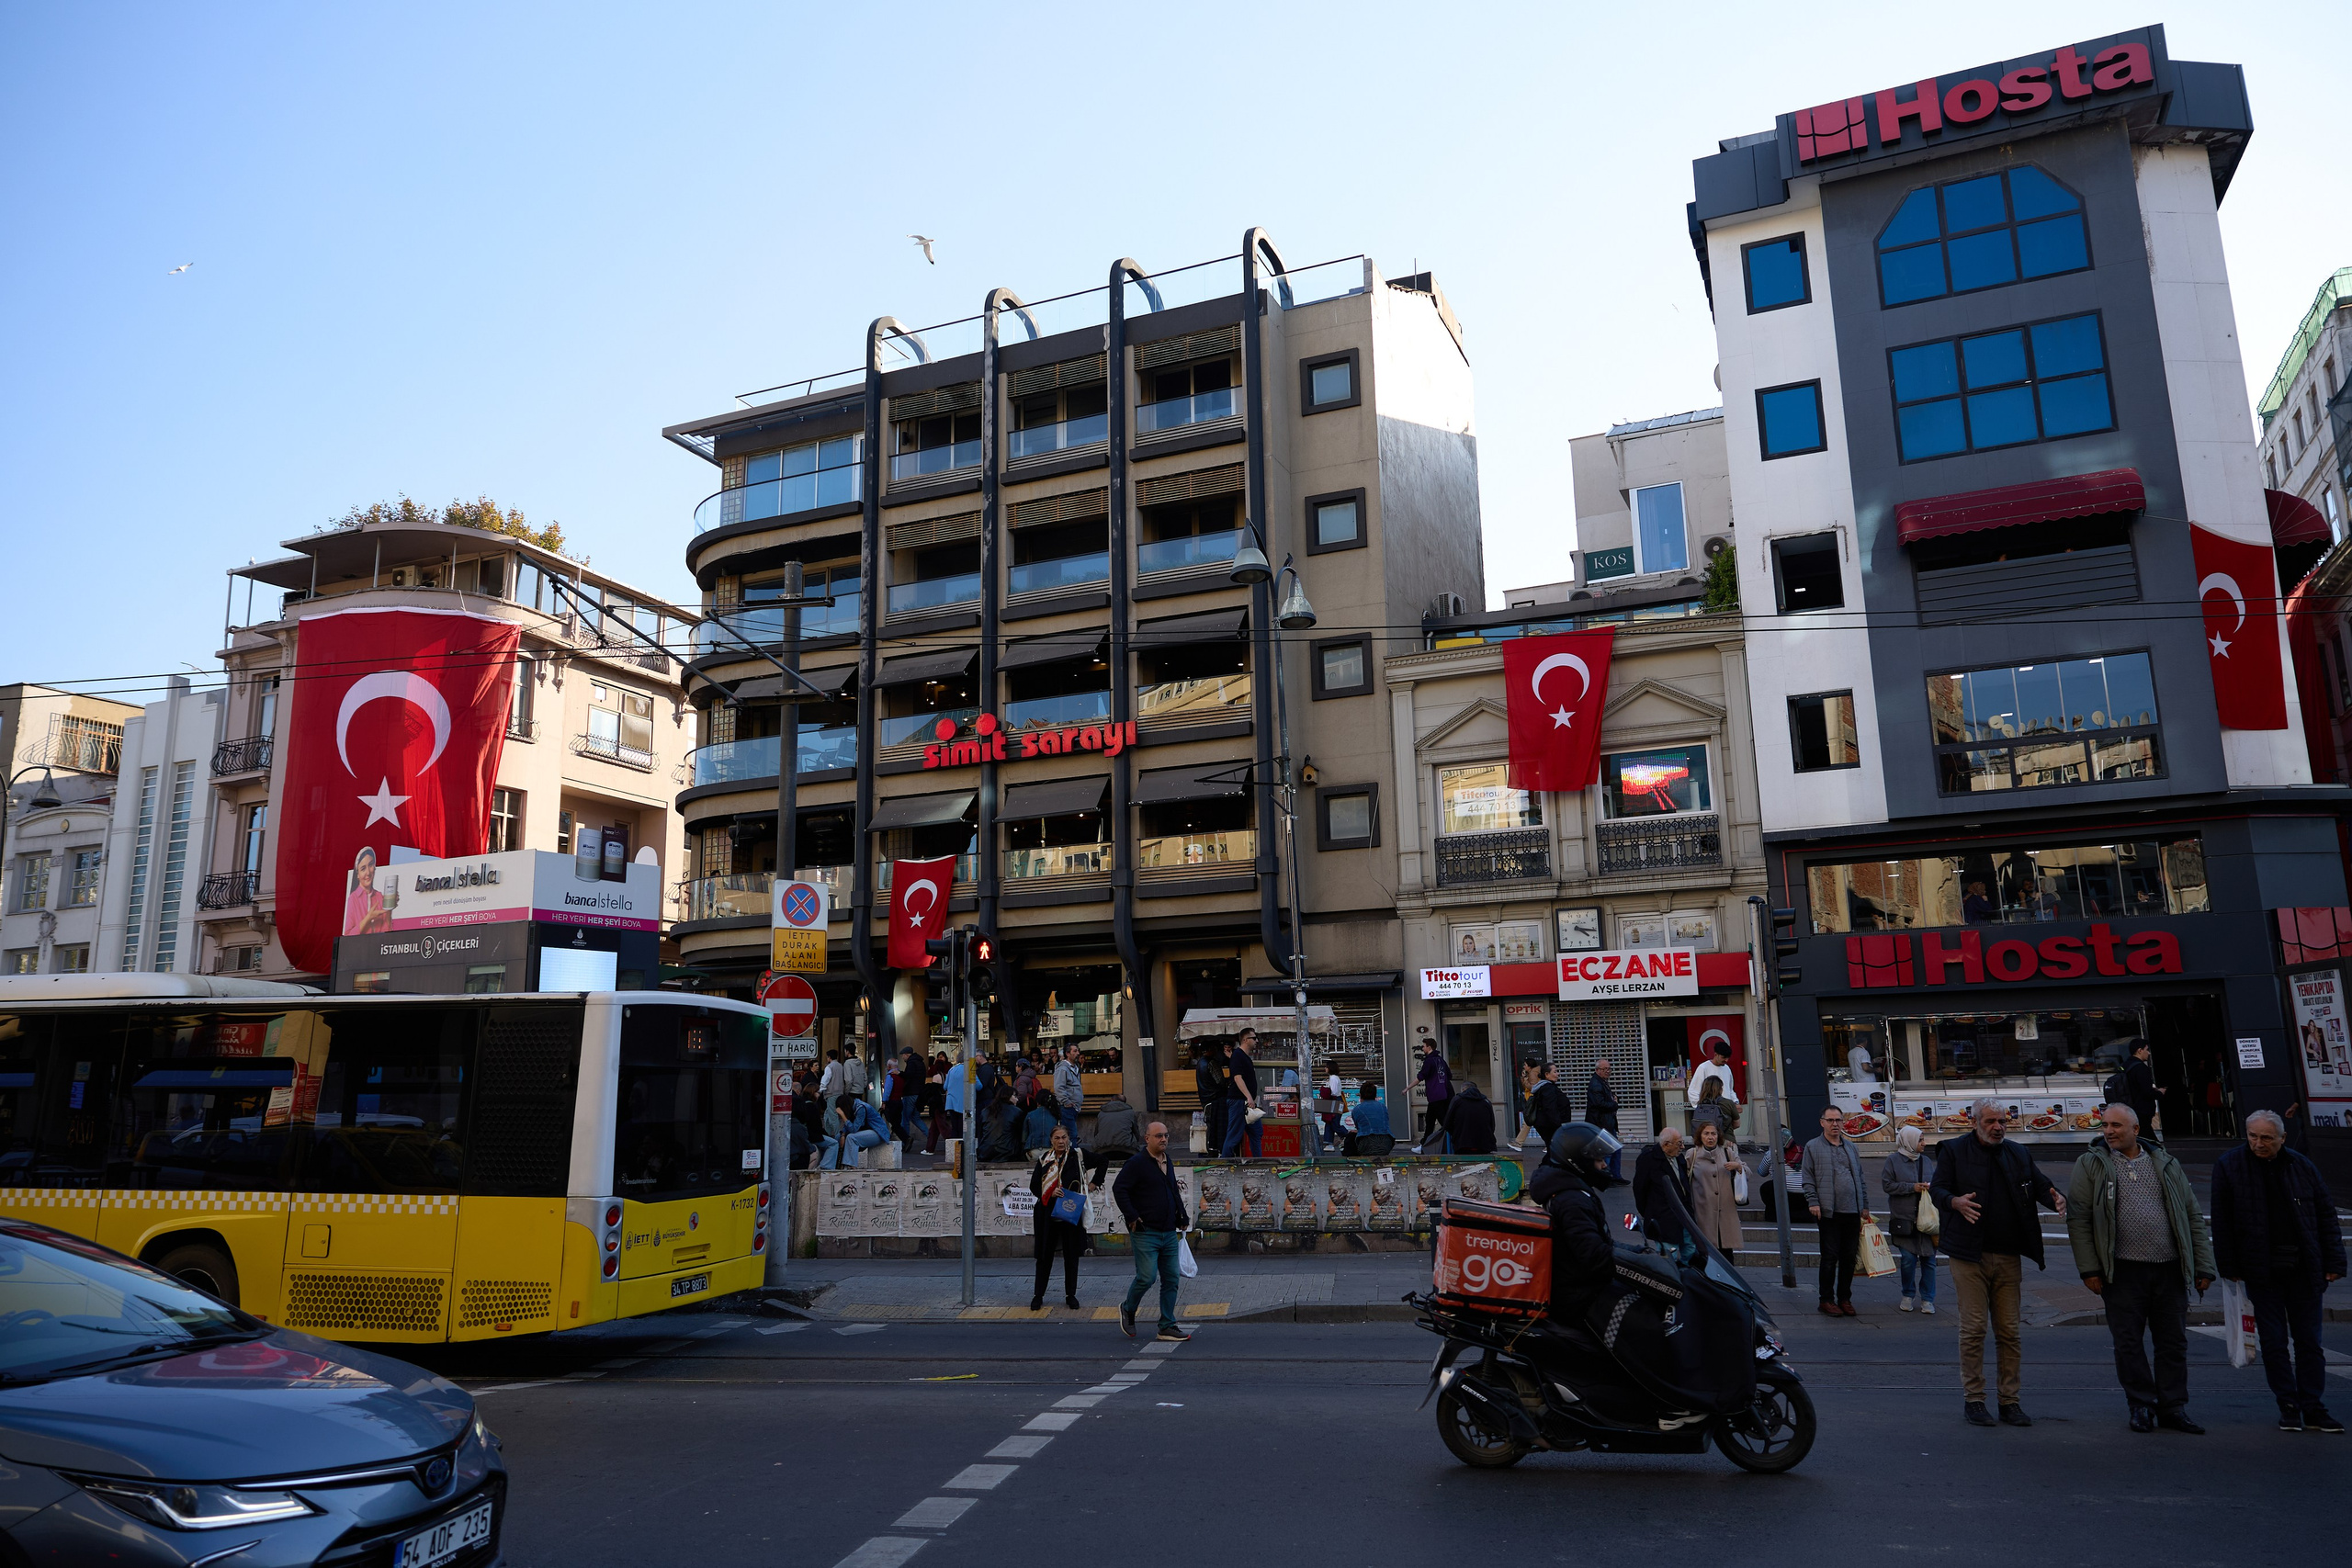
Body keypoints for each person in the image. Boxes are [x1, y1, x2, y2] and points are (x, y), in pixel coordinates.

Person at [2066, 1102, 2215, 1434]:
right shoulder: (2091, 1164)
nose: (2108, 1132)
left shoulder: (2165, 1162)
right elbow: (2078, 1219)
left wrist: (2203, 1265)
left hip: (2169, 1269)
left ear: (2136, 1130)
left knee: (2173, 1342)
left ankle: (2173, 1407)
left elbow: (2191, 1215)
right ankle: (2140, 1405)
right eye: (2105, 1126)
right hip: (2121, 1271)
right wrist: (2089, 1268)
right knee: (2129, 1343)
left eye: (2116, 1126)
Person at [1931, 1097, 2066, 1428]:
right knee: (1974, 1328)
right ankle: (1974, 1400)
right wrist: (1954, 1201)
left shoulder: (2017, 1152)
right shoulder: (1953, 1150)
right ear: (1974, 1121)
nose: (1997, 1127)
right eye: (1990, 1121)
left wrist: (2056, 1196)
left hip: (2008, 1255)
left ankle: (2010, 1401)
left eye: (2002, 1122)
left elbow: (2040, 1185)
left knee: (2009, 1332)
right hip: (1969, 1255)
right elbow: (1937, 1190)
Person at [2210, 1109, 2346, 1433]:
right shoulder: (2229, 1166)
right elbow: (2223, 1220)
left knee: (2310, 1343)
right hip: (2261, 1272)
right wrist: (2229, 1266)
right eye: (2253, 1136)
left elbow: (2325, 1216)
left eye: (2267, 1138)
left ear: (2282, 1139)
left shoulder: (2301, 1165)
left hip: (2304, 1270)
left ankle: (2312, 1406)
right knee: (2273, 1343)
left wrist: (2334, 1262)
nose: (2259, 1143)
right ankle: (2288, 1404)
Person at [1527, 1122, 1624, 1319]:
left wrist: (1638, 1253)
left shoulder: (1568, 1191)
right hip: (1580, 1298)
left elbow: (1600, 1242)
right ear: (1579, 1161)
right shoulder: (1573, 1201)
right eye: (1598, 1160)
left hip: (1577, 1288)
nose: (1604, 1165)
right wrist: (1640, 1267)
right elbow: (1594, 1255)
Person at [1114, 1120, 1192, 1342]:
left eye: (1166, 1135)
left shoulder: (1168, 1161)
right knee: (1147, 1277)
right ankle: (1128, 1308)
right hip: (1145, 1231)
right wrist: (1131, 1215)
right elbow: (1119, 1189)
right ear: (1147, 1139)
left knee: (1171, 1279)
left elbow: (1173, 1190)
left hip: (1168, 1231)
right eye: (1159, 1136)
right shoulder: (1136, 1163)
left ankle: (1167, 1325)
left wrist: (1182, 1216)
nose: (1164, 1139)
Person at [1804, 1107, 1869, 1317]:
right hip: (1829, 1211)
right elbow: (1808, 1177)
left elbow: (1859, 1177)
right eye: (1830, 1120)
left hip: (1852, 1210)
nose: (1835, 1124)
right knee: (1830, 1257)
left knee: (1849, 1258)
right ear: (1822, 1122)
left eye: (1838, 1120)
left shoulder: (1850, 1147)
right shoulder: (1813, 1147)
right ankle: (1826, 1299)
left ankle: (1845, 1298)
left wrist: (1864, 1204)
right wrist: (1813, 1201)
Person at [1028, 1125, 1088, 1312]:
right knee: (1044, 1257)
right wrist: (1049, 1191)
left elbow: (1103, 1161)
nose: (1060, 1141)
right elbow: (1034, 1186)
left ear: (1069, 1138)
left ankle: (1071, 1295)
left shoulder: (1076, 1156)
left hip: (1070, 1215)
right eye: (1056, 1138)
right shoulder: (1044, 1159)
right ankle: (1038, 1295)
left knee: (1071, 1257)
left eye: (1064, 1137)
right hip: (1048, 1216)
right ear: (1051, 1141)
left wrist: (1094, 1184)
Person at [1883, 1125, 1938, 1315]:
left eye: (1923, 1139)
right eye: (1920, 1140)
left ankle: (1928, 1299)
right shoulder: (1893, 1161)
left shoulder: (1926, 1161)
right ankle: (1907, 1294)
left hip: (1928, 1220)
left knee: (1929, 1260)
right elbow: (1887, 1185)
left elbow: (1936, 1184)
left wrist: (1930, 1188)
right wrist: (1911, 1187)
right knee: (1907, 1260)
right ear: (1909, 1141)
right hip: (1904, 1220)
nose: (1924, 1144)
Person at [1685, 1120, 1746, 1254]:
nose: (1710, 1137)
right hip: (1702, 1208)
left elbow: (1747, 1171)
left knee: (1726, 1251)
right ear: (1700, 1136)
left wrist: (1738, 1166)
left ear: (1718, 1136)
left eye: (1713, 1133)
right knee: (1705, 1250)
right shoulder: (1692, 1154)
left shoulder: (1727, 1152)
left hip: (1726, 1208)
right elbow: (1684, 1180)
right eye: (1706, 1133)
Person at [1634, 1127, 1693, 1253]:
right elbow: (1640, 1190)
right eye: (1679, 1143)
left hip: (1685, 1215)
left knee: (1690, 1250)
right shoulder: (1648, 1159)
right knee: (1668, 1254)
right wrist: (1649, 1213)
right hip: (1663, 1217)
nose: (1682, 1147)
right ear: (1666, 1145)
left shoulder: (1679, 1158)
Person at [2105, 1042, 2162, 1145]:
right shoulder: (2141, 1068)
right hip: (2142, 1111)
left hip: (2128, 1109)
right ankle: (2161, 1158)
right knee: (2150, 1141)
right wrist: (2160, 1093)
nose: (2148, 1053)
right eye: (2147, 1050)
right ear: (2140, 1050)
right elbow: (2147, 1092)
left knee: (2138, 1139)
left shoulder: (2124, 1066)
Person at [1221, 1031, 1262, 1157]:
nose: (1256, 1041)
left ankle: (1258, 1161)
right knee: (1234, 1135)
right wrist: (1248, 1096)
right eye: (1254, 1038)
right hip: (1239, 1101)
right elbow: (1237, 1078)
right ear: (1245, 1040)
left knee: (1257, 1131)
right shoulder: (1238, 1055)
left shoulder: (1242, 1056)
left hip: (1246, 1103)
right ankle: (1225, 1163)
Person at [1088, 1092, 1143, 1186]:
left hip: (1103, 1151)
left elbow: (1096, 1133)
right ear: (1124, 1103)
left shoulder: (1101, 1113)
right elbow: (1136, 1133)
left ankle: (1096, 1185)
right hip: (1127, 1151)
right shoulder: (1130, 1112)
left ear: (1111, 1100)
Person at [823, 1092, 890, 1169]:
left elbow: (853, 1130)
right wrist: (842, 1135)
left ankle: (851, 1166)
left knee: (851, 1137)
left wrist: (843, 1115)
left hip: (878, 1133)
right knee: (838, 1137)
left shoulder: (860, 1108)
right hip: (867, 1131)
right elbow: (847, 1126)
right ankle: (834, 1164)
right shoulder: (852, 1108)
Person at [1443, 1080, 1497, 1155]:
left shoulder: (1457, 1100)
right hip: (1485, 1146)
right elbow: (1492, 1125)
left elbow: (1447, 1123)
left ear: (1463, 1089)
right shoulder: (1486, 1101)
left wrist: (1457, 1134)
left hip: (1462, 1145)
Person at [1417, 1039, 1453, 1148]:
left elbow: (1420, 1077)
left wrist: (1407, 1088)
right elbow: (1449, 1075)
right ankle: (1424, 1144)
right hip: (1444, 1095)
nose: (1422, 1048)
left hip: (1435, 1096)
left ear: (1429, 1047)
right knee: (1430, 1120)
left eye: (1424, 1046)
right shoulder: (1441, 1060)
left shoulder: (1429, 1061)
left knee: (1440, 1121)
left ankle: (1455, 1141)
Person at [1525, 1062, 1570, 1145]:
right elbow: (1550, 1108)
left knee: (1553, 1151)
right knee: (1554, 1151)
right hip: (1550, 1127)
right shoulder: (1547, 1088)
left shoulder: (1546, 1087)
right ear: (1547, 1074)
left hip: (1548, 1126)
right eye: (1555, 1072)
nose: (1558, 1074)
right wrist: (1558, 1125)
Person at [1194, 1045, 1227, 1160]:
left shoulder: (1200, 1063)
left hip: (1205, 1099)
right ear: (1211, 1050)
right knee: (1217, 1127)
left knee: (1211, 1126)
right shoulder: (1212, 1063)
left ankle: (1210, 1149)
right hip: (1216, 1099)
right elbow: (1220, 1082)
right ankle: (1216, 1149)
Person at [978, 1086, 1025, 1163]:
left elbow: (980, 1133)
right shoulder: (1017, 1112)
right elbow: (1021, 1135)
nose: (1017, 1099)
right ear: (1008, 1096)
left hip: (985, 1152)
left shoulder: (985, 1111)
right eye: (1015, 1096)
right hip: (1008, 1152)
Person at [1340, 1082, 1391, 1154]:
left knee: (1350, 1138)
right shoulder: (1383, 1107)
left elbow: (1359, 1128)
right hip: (1386, 1144)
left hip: (1367, 1145)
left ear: (1361, 1096)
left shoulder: (1357, 1109)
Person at [1053, 1044, 1084, 1142]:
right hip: (1067, 1107)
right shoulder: (1063, 1068)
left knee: (1071, 1134)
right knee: (1071, 1135)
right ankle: (1071, 1156)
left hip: (1074, 1107)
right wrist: (1066, 1102)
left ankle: (1071, 1154)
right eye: (1075, 1051)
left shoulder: (1075, 1067)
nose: (1078, 1053)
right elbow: (1058, 1087)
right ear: (1067, 1054)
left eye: (1078, 1051)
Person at [1021, 1092, 1060, 1158]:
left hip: (1033, 1152)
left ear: (1038, 1102)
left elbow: (1024, 1138)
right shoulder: (1055, 1115)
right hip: (1050, 1151)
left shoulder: (1030, 1115)